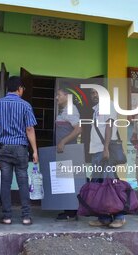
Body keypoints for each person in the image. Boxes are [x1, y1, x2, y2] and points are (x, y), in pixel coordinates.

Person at [0, 76, 38, 225]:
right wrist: (35, 150)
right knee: (23, 182)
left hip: (3, 149)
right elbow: (29, 129)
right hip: (20, 148)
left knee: (5, 182)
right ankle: (26, 217)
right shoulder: (25, 106)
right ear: (20, 88)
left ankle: (7, 217)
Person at [87, 88, 126, 228]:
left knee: (111, 184)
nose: (94, 95)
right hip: (97, 151)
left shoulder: (108, 105)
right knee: (99, 185)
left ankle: (120, 216)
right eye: (92, 93)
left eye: (97, 92)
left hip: (104, 151)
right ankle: (103, 217)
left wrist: (106, 148)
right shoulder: (96, 109)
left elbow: (109, 125)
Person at [54, 88, 82, 221]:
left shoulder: (71, 110)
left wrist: (63, 142)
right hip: (63, 153)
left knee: (69, 182)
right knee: (64, 181)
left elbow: (78, 129)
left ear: (66, 96)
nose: (56, 97)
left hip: (68, 151)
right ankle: (68, 211)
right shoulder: (64, 111)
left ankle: (71, 212)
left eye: (58, 95)